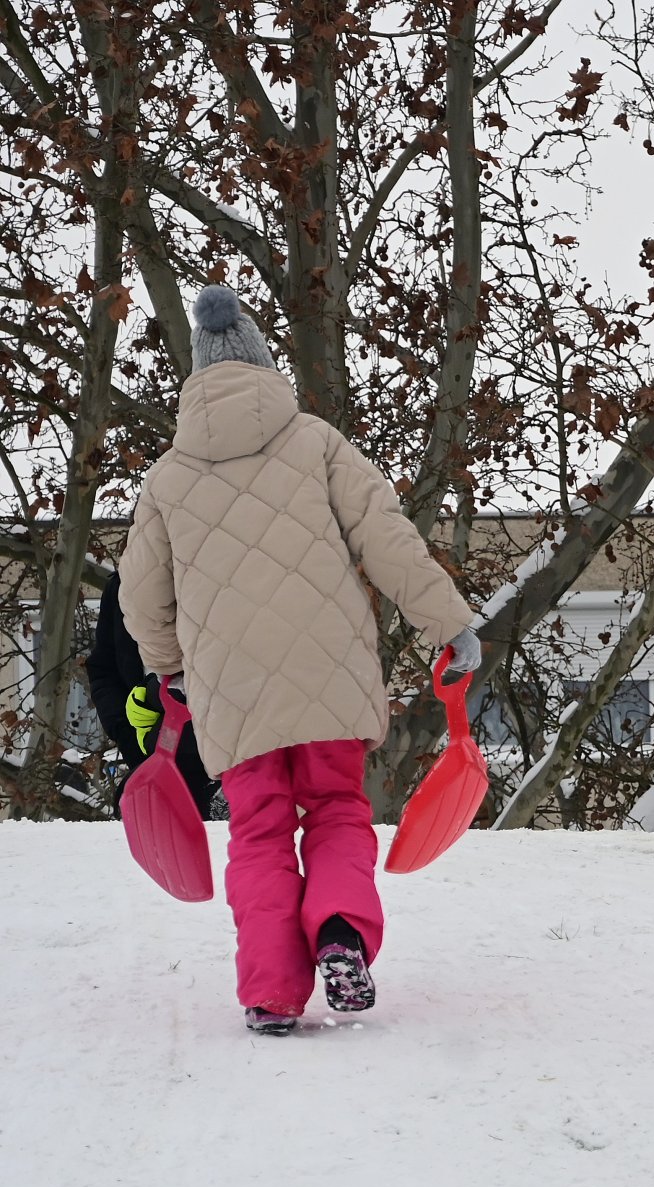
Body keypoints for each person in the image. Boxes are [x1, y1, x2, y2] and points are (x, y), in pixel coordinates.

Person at [118, 284, 482, 1036]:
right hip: (329, 674)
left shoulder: (167, 478)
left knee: (257, 831)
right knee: (337, 810)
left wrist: (170, 666)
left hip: (230, 691)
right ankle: (341, 933)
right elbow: (387, 537)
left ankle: (272, 992)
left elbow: (140, 595)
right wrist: (448, 624)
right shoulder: (315, 441)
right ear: (262, 366)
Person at [86, 570, 218, 819]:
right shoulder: (122, 585)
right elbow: (103, 669)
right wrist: (127, 733)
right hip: (153, 752)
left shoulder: (218, 574)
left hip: (227, 752)